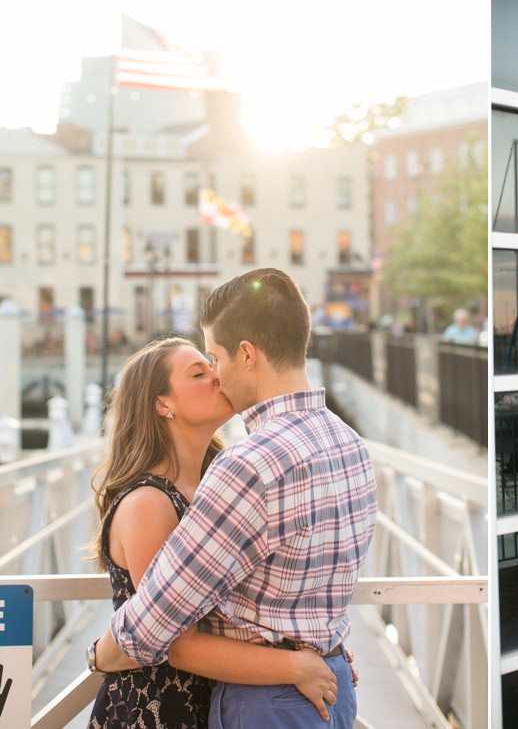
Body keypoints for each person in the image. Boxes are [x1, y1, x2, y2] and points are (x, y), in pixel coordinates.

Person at [96, 268, 378, 728]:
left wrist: (96, 656)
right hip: (331, 684)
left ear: (247, 354)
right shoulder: (350, 442)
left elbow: (153, 622)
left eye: (216, 358)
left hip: (269, 702)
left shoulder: (249, 465)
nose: (216, 375)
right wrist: (322, 652)